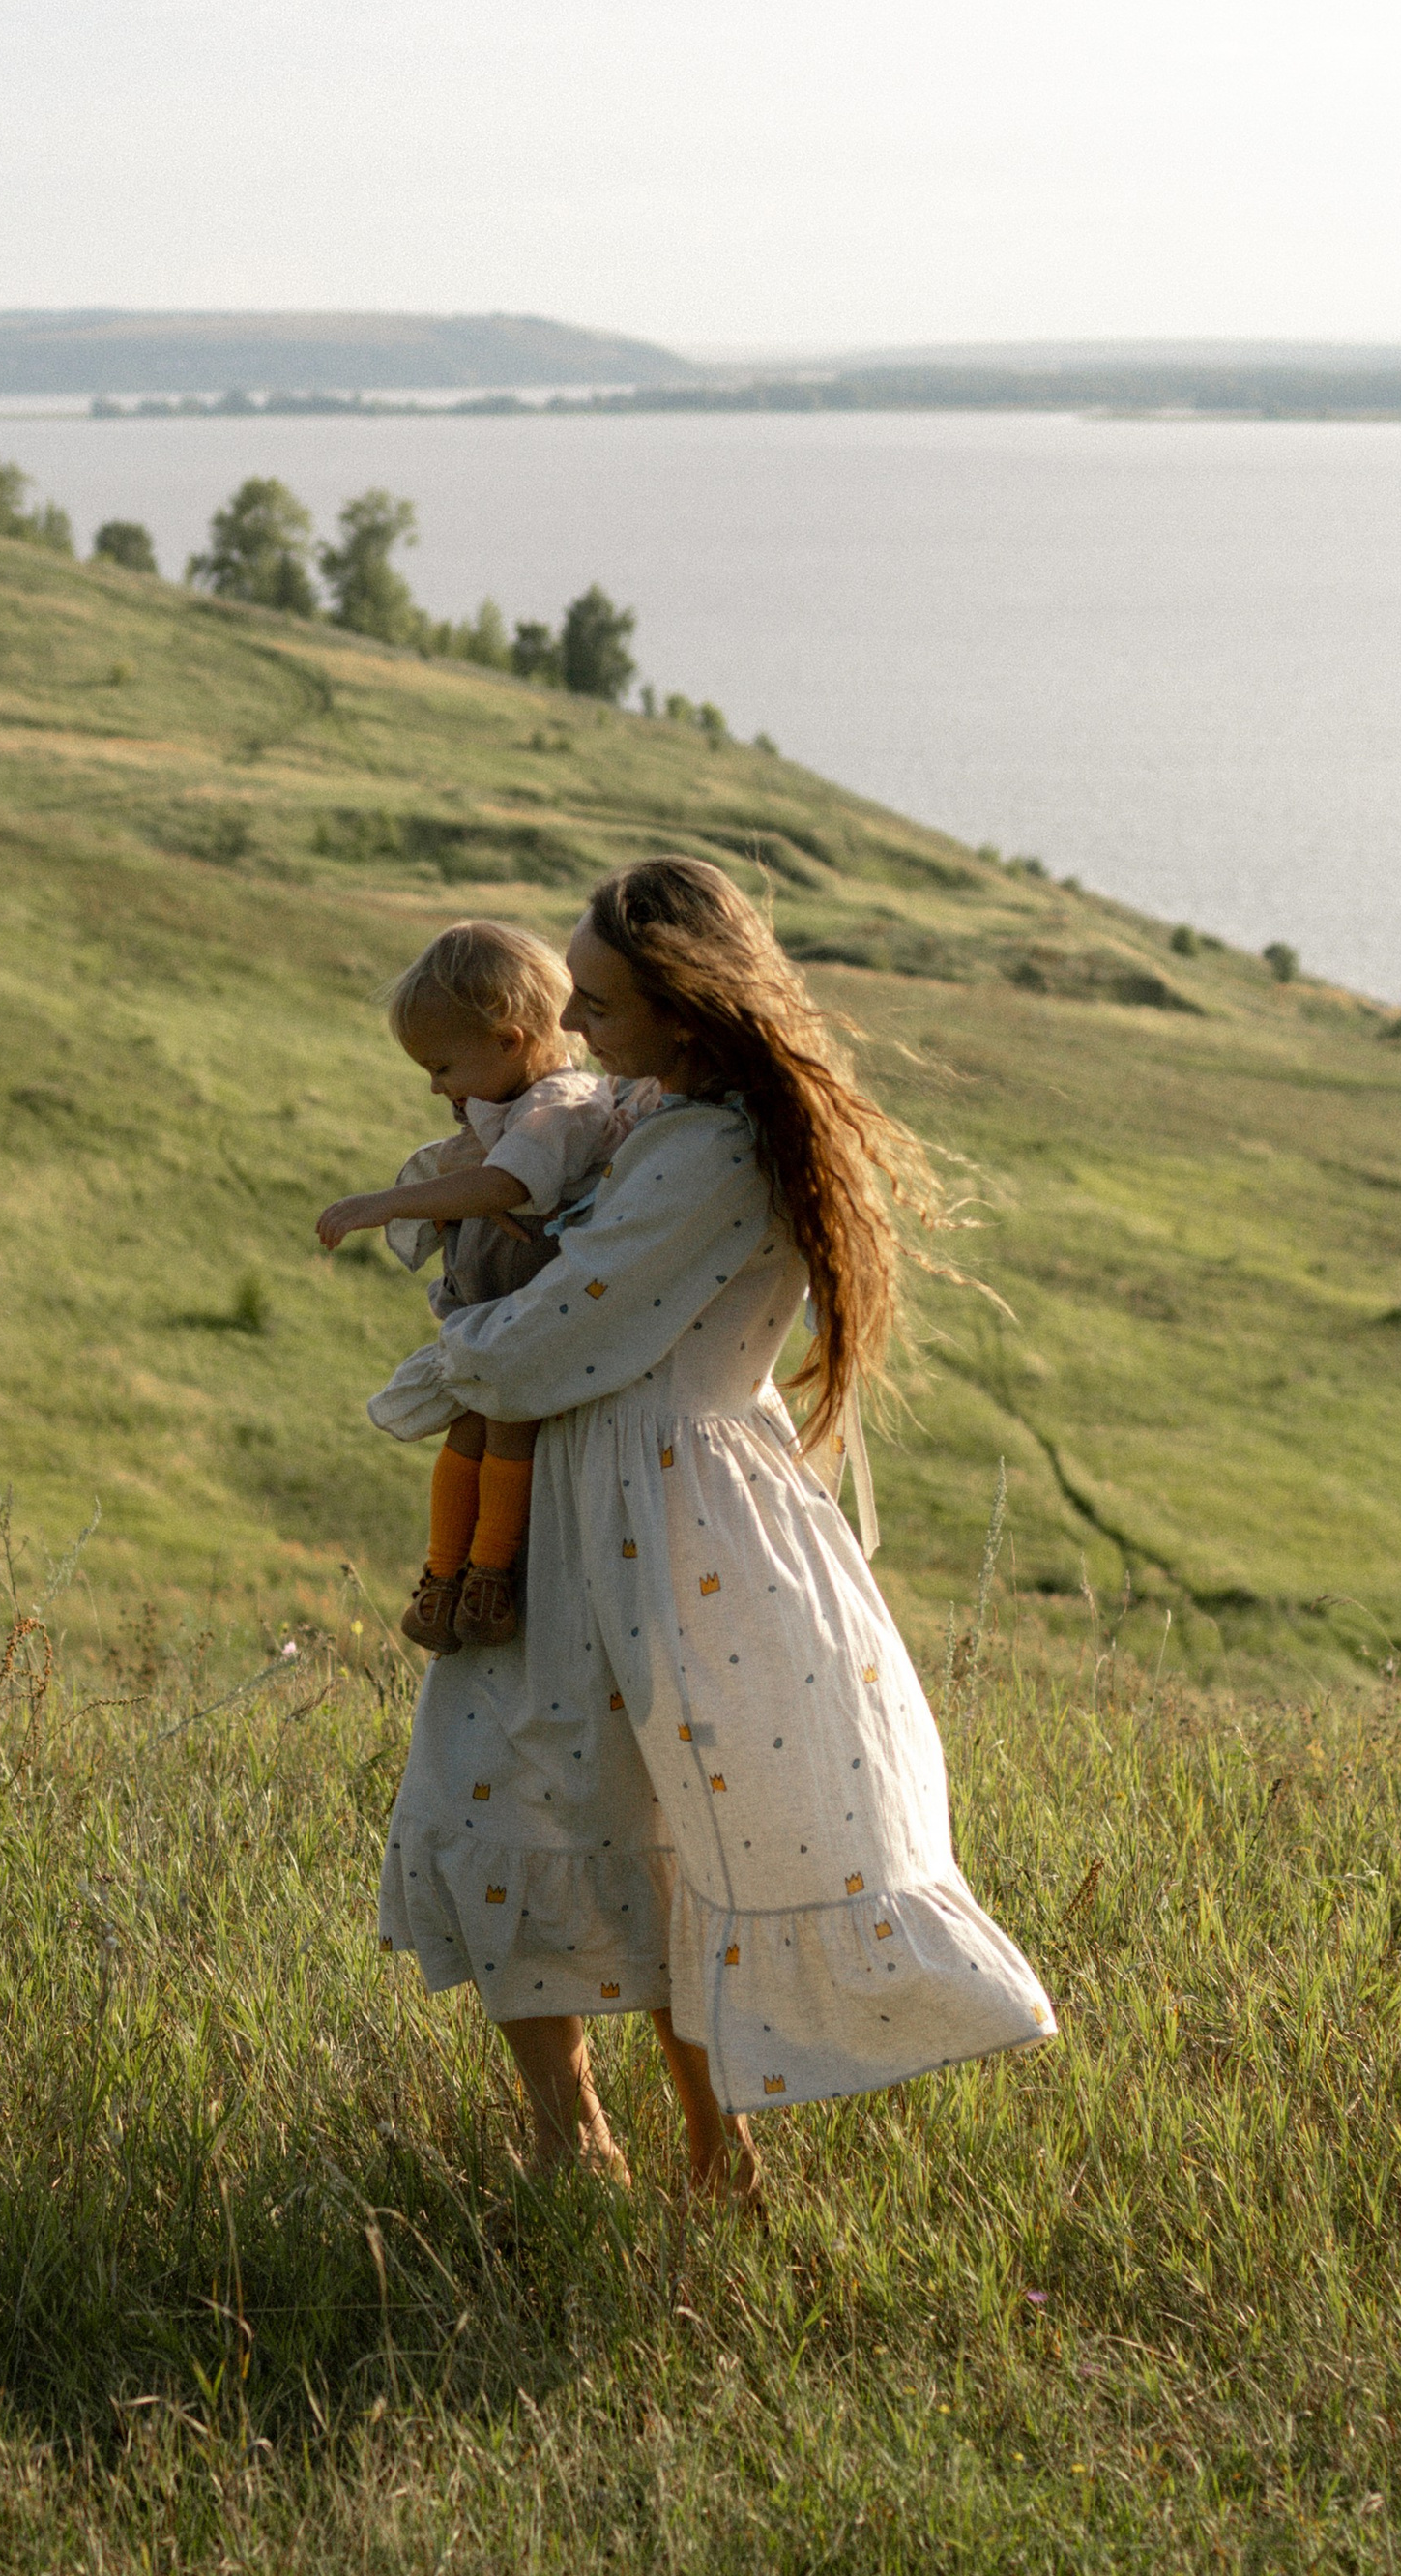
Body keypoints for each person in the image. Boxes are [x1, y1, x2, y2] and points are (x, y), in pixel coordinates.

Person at [366, 856, 1056, 2198]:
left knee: (672, 1824)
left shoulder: (714, 1154)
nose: (571, 1026)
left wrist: (443, 1363)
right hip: (589, 1496)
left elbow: (561, 1331)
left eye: (600, 1003)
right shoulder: (655, 1113)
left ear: (686, 1009)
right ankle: (576, 2133)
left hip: (667, 1515)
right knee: (504, 1791)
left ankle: (708, 2146)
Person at [316, 922, 648, 1652]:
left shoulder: (561, 1106)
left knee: (504, 1428)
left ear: (507, 1041)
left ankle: (489, 1575)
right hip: (491, 1315)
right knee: (466, 1431)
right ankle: (443, 1577)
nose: (437, 1087)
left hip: (528, 1318)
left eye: (442, 1067)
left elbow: (509, 1182)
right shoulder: (504, 1104)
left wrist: (386, 1204)